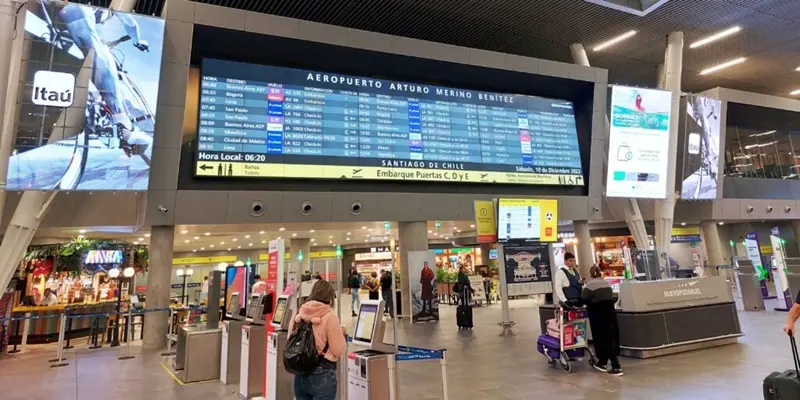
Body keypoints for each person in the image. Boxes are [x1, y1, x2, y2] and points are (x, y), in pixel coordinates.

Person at [288, 280, 347, 400]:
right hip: (322, 374)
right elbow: (338, 350)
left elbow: (290, 339)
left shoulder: (299, 312)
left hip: (300, 375)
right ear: (330, 297)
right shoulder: (330, 316)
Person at [581, 266, 623, 376]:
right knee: (609, 338)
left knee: (602, 339)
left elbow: (583, 298)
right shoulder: (606, 283)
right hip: (610, 315)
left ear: (591, 274)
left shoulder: (590, 285)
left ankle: (616, 366)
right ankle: (602, 363)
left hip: (598, 315)